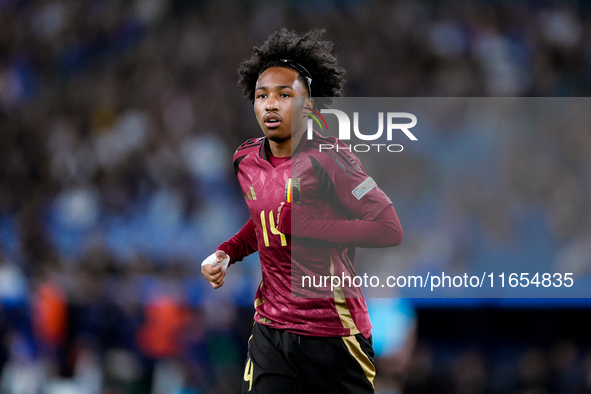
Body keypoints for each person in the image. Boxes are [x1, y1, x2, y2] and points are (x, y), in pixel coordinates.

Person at [201, 28, 403, 394]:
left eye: (284, 95)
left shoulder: (332, 159)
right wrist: (227, 252)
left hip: (333, 333)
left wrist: (312, 226)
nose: (271, 104)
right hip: (271, 330)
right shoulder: (245, 159)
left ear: (307, 106)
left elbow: (389, 228)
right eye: (262, 95)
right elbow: (266, 221)